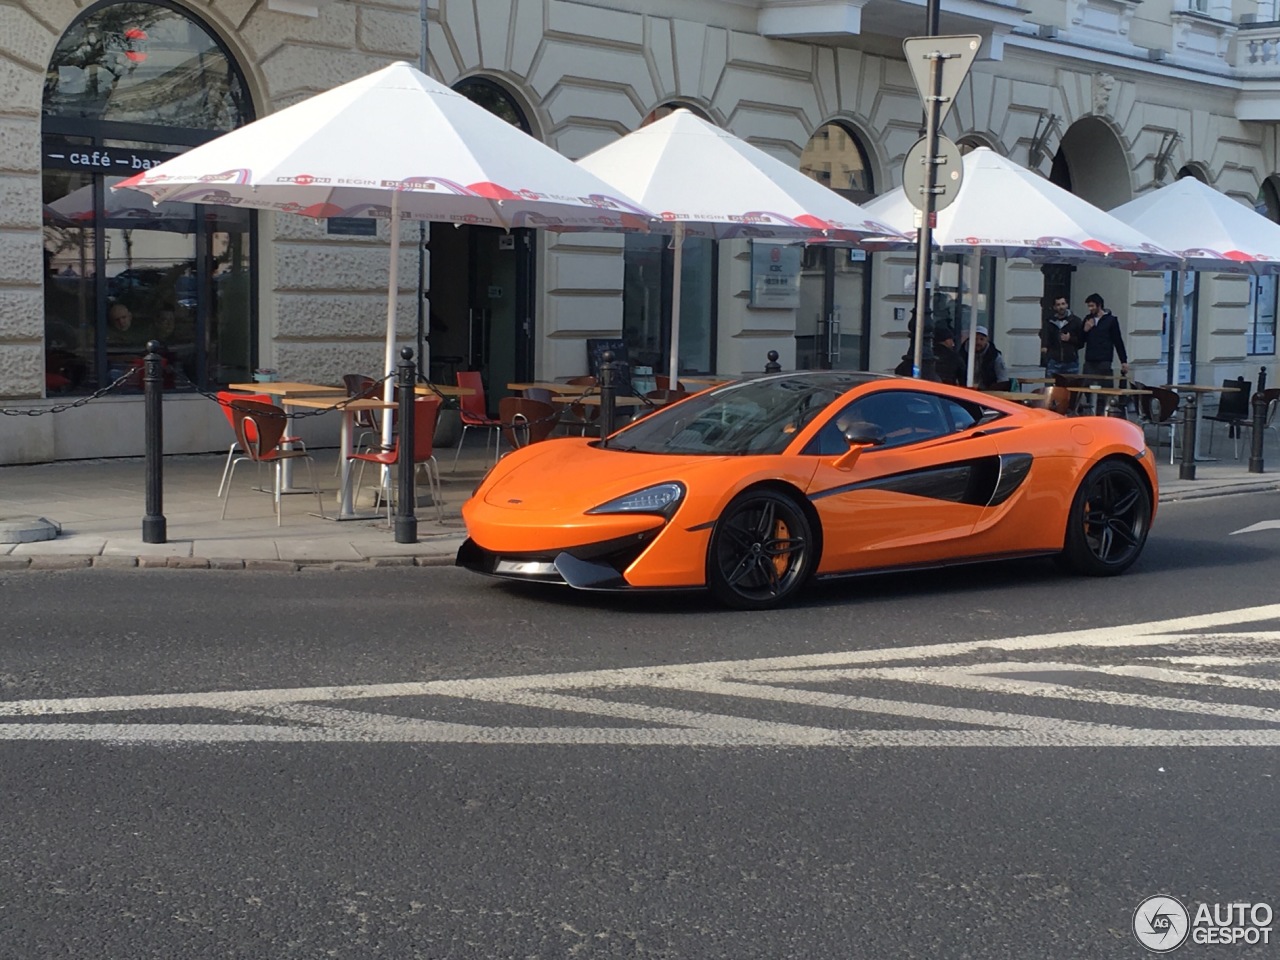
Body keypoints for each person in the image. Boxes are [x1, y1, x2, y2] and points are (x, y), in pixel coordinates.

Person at [1081, 292, 1129, 413]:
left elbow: (1118, 341)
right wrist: (1085, 330)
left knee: (1105, 389)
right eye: (1089, 306)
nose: (1090, 309)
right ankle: (1091, 411)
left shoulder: (1111, 321)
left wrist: (1123, 360)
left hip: (1104, 359)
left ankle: (1103, 412)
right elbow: (1080, 342)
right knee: (1087, 388)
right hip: (1090, 359)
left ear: (1099, 305)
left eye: (1092, 306)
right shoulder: (1087, 319)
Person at [1040, 295, 1084, 378]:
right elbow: (1045, 337)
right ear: (1054, 307)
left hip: (1071, 361)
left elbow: (1082, 342)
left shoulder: (1076, 321)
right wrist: (1045, 347)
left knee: (1072, 388)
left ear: (1067, 305)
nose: (1061, 307)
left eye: (1063, 304)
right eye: (1058, 305)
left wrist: (1070, 339)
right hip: (1054, 361)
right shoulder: (1049, 321)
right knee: (1052, 388)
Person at [961, 325, 1010, 391]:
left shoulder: (994, 356)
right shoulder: (962, 354)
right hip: (965, 390)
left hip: (988, 391)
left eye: (981, 339)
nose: (978, 342)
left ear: (987, 340)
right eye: (975, 339)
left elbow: (1002, 378)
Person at [932, 321, 964, 386]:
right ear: (947, 341)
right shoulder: (954, 357)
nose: (953, 344)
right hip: (948, 390)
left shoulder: (929, 355)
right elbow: (963, 376)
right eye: (951, 340)